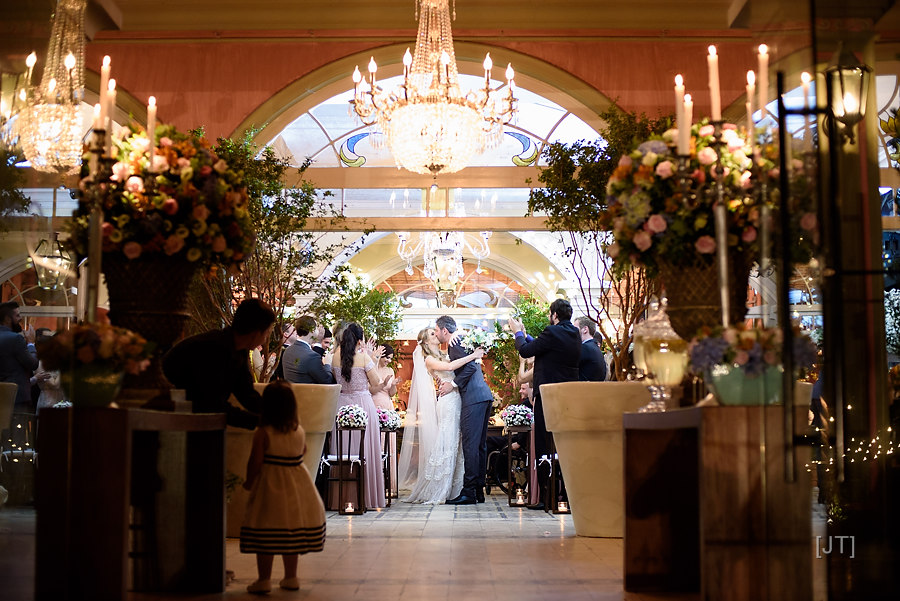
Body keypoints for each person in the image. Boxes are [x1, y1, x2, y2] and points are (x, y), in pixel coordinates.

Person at [240, 381, 326, 594]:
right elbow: (303, 450)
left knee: (266, 530)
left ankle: (264, 579)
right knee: (291, 530)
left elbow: (255, 461)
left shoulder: (263, 432)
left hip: (270, 483)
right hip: (296, 483)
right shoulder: (298, 430)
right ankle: (291, 577)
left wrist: (250, 481)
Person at [508, 298, 581, 509]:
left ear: (554, 315)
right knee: (562, 445)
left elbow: (525, 351)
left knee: (543, 444)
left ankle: (544, 497)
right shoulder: (573, 333)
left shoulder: (552, 332)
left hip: (548, 396)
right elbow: (543, 345)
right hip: (567, 395)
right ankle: (563, 495)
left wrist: (517, 332)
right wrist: (525, 332)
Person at [399, 328, 484, 505]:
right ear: (425, 342)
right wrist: (474, 355)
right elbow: (451, 367)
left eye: (435, 332)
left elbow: (456, 361)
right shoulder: (428, 359)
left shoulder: (445, 353)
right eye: (432, 334)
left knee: (458, 443)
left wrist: (467, 341)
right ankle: (440, 486)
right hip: (448, 402)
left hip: (458, 399)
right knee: (448, 441)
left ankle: (457, 487)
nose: (436, 335)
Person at [163, 298, 276, 429]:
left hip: (191, 419)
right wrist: (258, 421)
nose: (265, 340)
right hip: (171, 419)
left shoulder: (238, 350)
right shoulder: (213, 349)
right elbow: (211, 404)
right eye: (267, 333)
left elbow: (245, 392)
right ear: (256, 333)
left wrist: (275, 416)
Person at [435, 315, 493, 505]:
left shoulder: (454, 342)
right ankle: (478, 490)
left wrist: (452, 384)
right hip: (483, 395)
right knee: (479, 446)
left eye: (436, 330)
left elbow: (469, 368)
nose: (436, 334)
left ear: (445, 330)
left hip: (474, 397)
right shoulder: (462, 339)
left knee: (470, 445)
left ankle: (469, 491)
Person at [329, 322, 386, 509]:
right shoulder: (363, 358)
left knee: (344, 450)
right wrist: (372, 357)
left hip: (342, 405)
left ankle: (342, 498)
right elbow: (377, 381)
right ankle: (366, 498)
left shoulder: (335, 357)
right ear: (360, 340)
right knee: (365, 450)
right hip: (363, 405)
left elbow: (334, 378)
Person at [0, 301, 37, 411]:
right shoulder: (16, 339)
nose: (20, 318)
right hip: (16, 397)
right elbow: (33, 364)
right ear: (7, 319)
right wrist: (31, 343)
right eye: (17, 315)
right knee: (17, 427)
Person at [282, 316, 335, 384]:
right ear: (312, 330)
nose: (318, 330)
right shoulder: (312, 356)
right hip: (309, 394)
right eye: (316, 328)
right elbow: (327, 380)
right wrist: (327, 364)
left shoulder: (287, 350)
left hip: (291, 393)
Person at [575, 316, 607, 382]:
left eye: (575, 329)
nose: (573, 331)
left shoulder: (585, 348)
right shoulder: (594, 347)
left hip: (583, 390)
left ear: (585, 329)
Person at [370, 343, 397, 411]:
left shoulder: (390, 371)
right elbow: (371, 390)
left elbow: (391, 394)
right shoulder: (372, 369)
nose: (389, 361)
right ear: (381, 355)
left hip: (387, 406)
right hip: (373, 404)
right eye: (387, 358)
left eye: (391, 359)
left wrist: (393, 385)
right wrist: (383, 384)